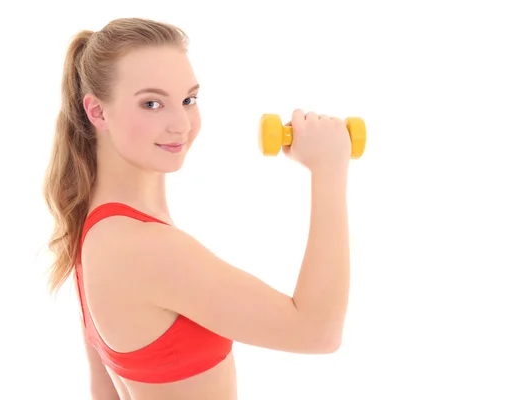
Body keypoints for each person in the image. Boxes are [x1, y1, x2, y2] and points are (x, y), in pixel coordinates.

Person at [42, 17, 352, 400]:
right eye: (151, 103)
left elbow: (103, 391)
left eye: (188, 100)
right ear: (98, 112)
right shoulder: (143, 247)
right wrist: (329, 170)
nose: (181, 124)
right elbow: (317, 331)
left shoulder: (95, 229)